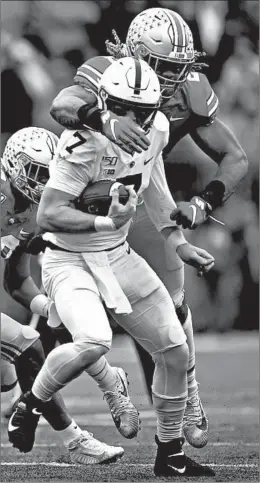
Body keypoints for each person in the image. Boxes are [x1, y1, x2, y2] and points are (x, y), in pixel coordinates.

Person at [49, 7, 248, 449]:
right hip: (83, 197)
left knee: (169, 306)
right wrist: (103, 118)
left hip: (138, 199)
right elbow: (62, 103)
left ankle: (186, 397)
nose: (176, 77)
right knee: (58, 317)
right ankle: (41, 400)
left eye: (182, 67)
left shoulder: (187, 92)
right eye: (168, 66)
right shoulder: (107, 74)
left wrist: (203, 202)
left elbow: (235, 158)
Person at [15, 58, 215, 477]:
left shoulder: (158, 129)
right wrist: (107, 220)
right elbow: (50, 214)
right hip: (68, 258)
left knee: (176, 350)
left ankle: (170, 452)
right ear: (107, 103)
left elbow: (154, 178)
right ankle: (31, 402)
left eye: (142, 111)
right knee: (93, 340)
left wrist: (176, 241)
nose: (134, 120)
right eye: (123, 109)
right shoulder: (82, 142)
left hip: (117, 254)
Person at [1, 127, 124, 464]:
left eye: (50, 172)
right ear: (15, 165)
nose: (44, 181)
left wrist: (48, 307)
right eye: (38, 172)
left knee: (55, 326)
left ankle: (111, 384)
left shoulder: (32, 211)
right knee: (27, 344)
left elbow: (16, 280)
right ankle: (75, 441)